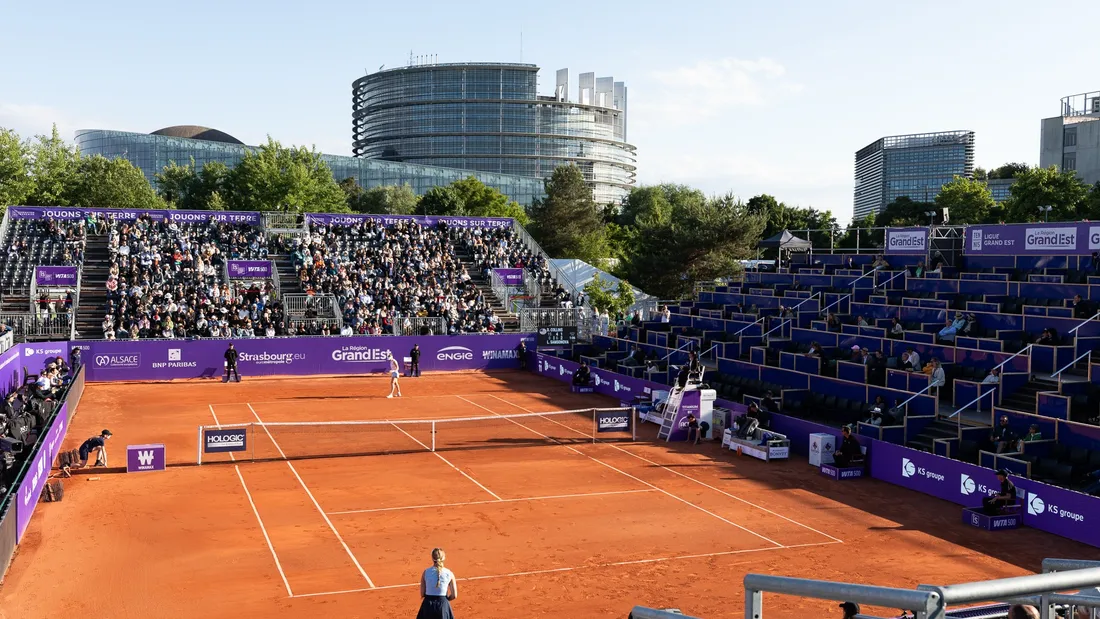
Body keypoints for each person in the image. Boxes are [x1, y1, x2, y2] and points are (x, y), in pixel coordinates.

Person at [417, 547, 457, 619]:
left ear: (432, 559)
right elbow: (454, 595)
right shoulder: (449, 573)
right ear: (444, 558)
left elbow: (422, 593)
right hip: (443, 606)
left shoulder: (426, 572)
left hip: (428, 605)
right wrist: (445, 600)